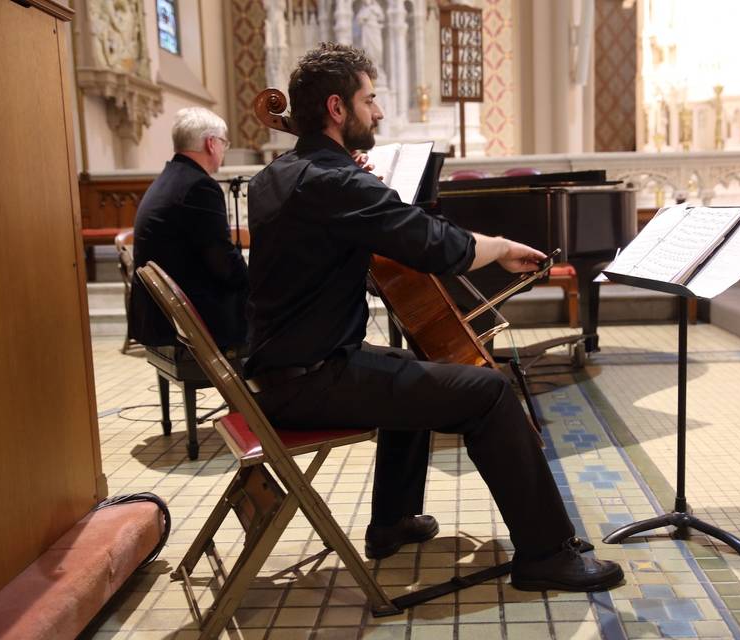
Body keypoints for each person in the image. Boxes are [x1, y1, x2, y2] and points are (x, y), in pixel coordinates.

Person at [245, 43, 623, 592]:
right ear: (335, 109)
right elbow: (430, 244)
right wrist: (496, 245)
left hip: (283, 368)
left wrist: (356, 184)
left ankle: (393, 522)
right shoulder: (332, 181)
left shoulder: (275, 176)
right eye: (368, 100)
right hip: (311, 380)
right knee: (489, 393)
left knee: (408, 364)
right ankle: (545, 554)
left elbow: (333, 231)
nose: (376, 113)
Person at [129, 107, 248, 350]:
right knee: (277, 311)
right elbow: (223, 264)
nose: (223, 150)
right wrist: (257, 279)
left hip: (157, 315)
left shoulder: (168, 179)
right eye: (224, 143)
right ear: (211, 143)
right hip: (187, 323)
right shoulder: (199, 187)